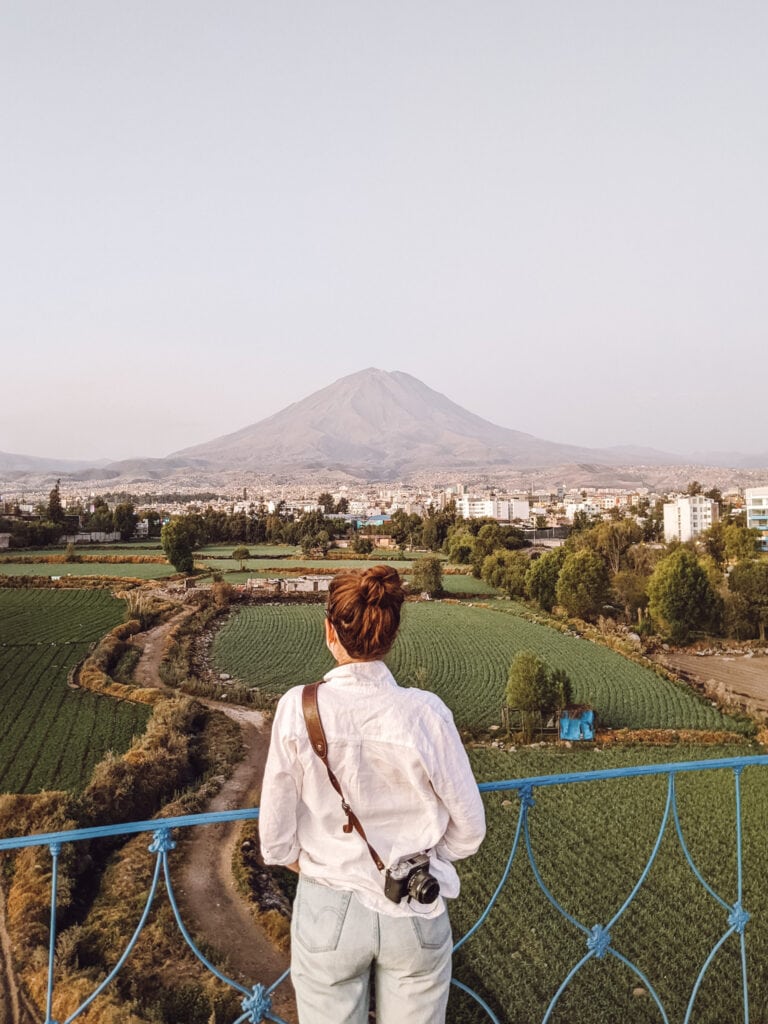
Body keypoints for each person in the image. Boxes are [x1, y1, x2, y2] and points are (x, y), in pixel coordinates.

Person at [259, 565, 486, 1024]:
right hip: (415, 904)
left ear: (329, 631)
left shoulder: (296, 708)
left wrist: (323, 864)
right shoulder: (425, 713)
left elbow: (276, 840)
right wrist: (419, 857)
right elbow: (470, 830)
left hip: (328, 906)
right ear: (393, 632)